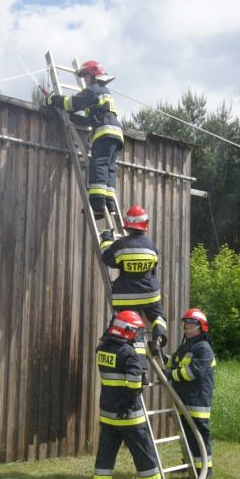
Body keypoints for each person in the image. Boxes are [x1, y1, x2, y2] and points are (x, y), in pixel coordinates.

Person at [92, 310, 162, 479]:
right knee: (142, 452)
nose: (136, 335)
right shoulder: (129, 353)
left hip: (108, 414)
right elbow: (134, 384)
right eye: (135, 331)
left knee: (105, 453)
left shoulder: (103, 349)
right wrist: (129, 403)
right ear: (127, 330)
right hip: (129, 415)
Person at [46, 60, 124, 219]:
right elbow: (90, 119)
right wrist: (72, 118)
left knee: (99, 164)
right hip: (117, 133)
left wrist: (53, 100)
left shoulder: (93, 90)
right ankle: (110, 204)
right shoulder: (104, 92)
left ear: (92, 76)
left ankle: (97, 205)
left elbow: (72, 103)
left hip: (105, 131)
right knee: (109, 168)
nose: (84, 80)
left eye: (85, 76)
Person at [99, 204, 167, 348]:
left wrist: (106, 240)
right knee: (158, 317)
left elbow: (107, 259)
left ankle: (139, 353)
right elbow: (154, 266)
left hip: (126, 296)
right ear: (144, 224)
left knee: (134, 326)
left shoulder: (121, 245)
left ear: (127, 225)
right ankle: (159, 335)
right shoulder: (151, 246)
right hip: (150, 294)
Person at [163, 308, 216, 479]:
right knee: (187, 436)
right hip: (184, 399)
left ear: (201, 327)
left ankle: (205, 470)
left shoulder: (204, 348)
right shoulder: (186, 345)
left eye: (191, 323)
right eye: (185, 323)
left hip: (197, 401)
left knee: (199, 435)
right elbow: (174, 362)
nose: (186, 326)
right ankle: (191, 464)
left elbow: (191, 372)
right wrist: (159, 355)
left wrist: (170, 375)